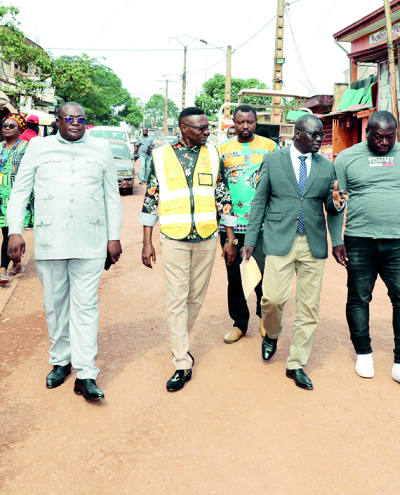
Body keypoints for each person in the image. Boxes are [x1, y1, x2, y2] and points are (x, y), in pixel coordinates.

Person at [7, 103, 122, 402]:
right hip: (51, 239)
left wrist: (115, 237)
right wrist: (15, 231)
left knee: (86, 307)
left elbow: (112, 196)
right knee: (55, 305)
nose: (75, 123)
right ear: (57, 121)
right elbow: (20, 192)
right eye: (69, 119)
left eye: (81, 119)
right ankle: (61, 360)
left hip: (91, 239)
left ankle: (86, 374)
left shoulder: (101, 149)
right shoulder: (37, 148)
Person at [242, 115, 346, 390]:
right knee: (273, 298)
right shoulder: (273, 160)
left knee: (309, 307)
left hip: (312, 242)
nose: (318, 139)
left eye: (320, 135)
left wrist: (336, 224)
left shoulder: (327, 167)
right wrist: (251, 240)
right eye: (313, 135)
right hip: (278, 238)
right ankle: (272, 333)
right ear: (297, 133)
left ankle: (296, 363)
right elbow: (259, 202)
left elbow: (332, 206)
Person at [141, 107, 238, 392]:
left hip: (207, 237)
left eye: (207, 127)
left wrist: (229, 239)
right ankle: (182, 361)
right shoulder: (160, 156)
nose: (207, 132)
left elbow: (223, 197)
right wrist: (146, 241)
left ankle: (180, 344)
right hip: (173, 238)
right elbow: (150, 198)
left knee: (194, 298)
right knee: (176, 299)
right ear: (184, 128)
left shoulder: (213, 154)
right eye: (201, 128)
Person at [333, 111, 400, 392]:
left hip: (399, 242)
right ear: (367, 133)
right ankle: (364, 354)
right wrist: (336, 240)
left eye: (390, 136)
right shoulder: (347, 158)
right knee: (359, 298)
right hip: (359, 240)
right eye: (378, 136)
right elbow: (337, 199)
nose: (384, 142)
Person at [216, 105, 275, 343]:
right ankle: (240, 323)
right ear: (233, 122)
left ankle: (263, 317)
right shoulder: (221, 149)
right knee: (234, 277)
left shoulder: (270, 147)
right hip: (231, 226)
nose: (245, 126)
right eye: (240, 122)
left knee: (262, 274)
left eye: (249, 122)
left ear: (256, 121)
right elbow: (218, 189)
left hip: (261, 225)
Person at [0, 113, 34, 286]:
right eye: (5, 125)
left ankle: (6, 267)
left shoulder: (27, 148)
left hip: (18, 198)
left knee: (13, 232)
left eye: (12, 126)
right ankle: (9, 266)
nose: (7, 128)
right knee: (7, 233)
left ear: (20, 129)